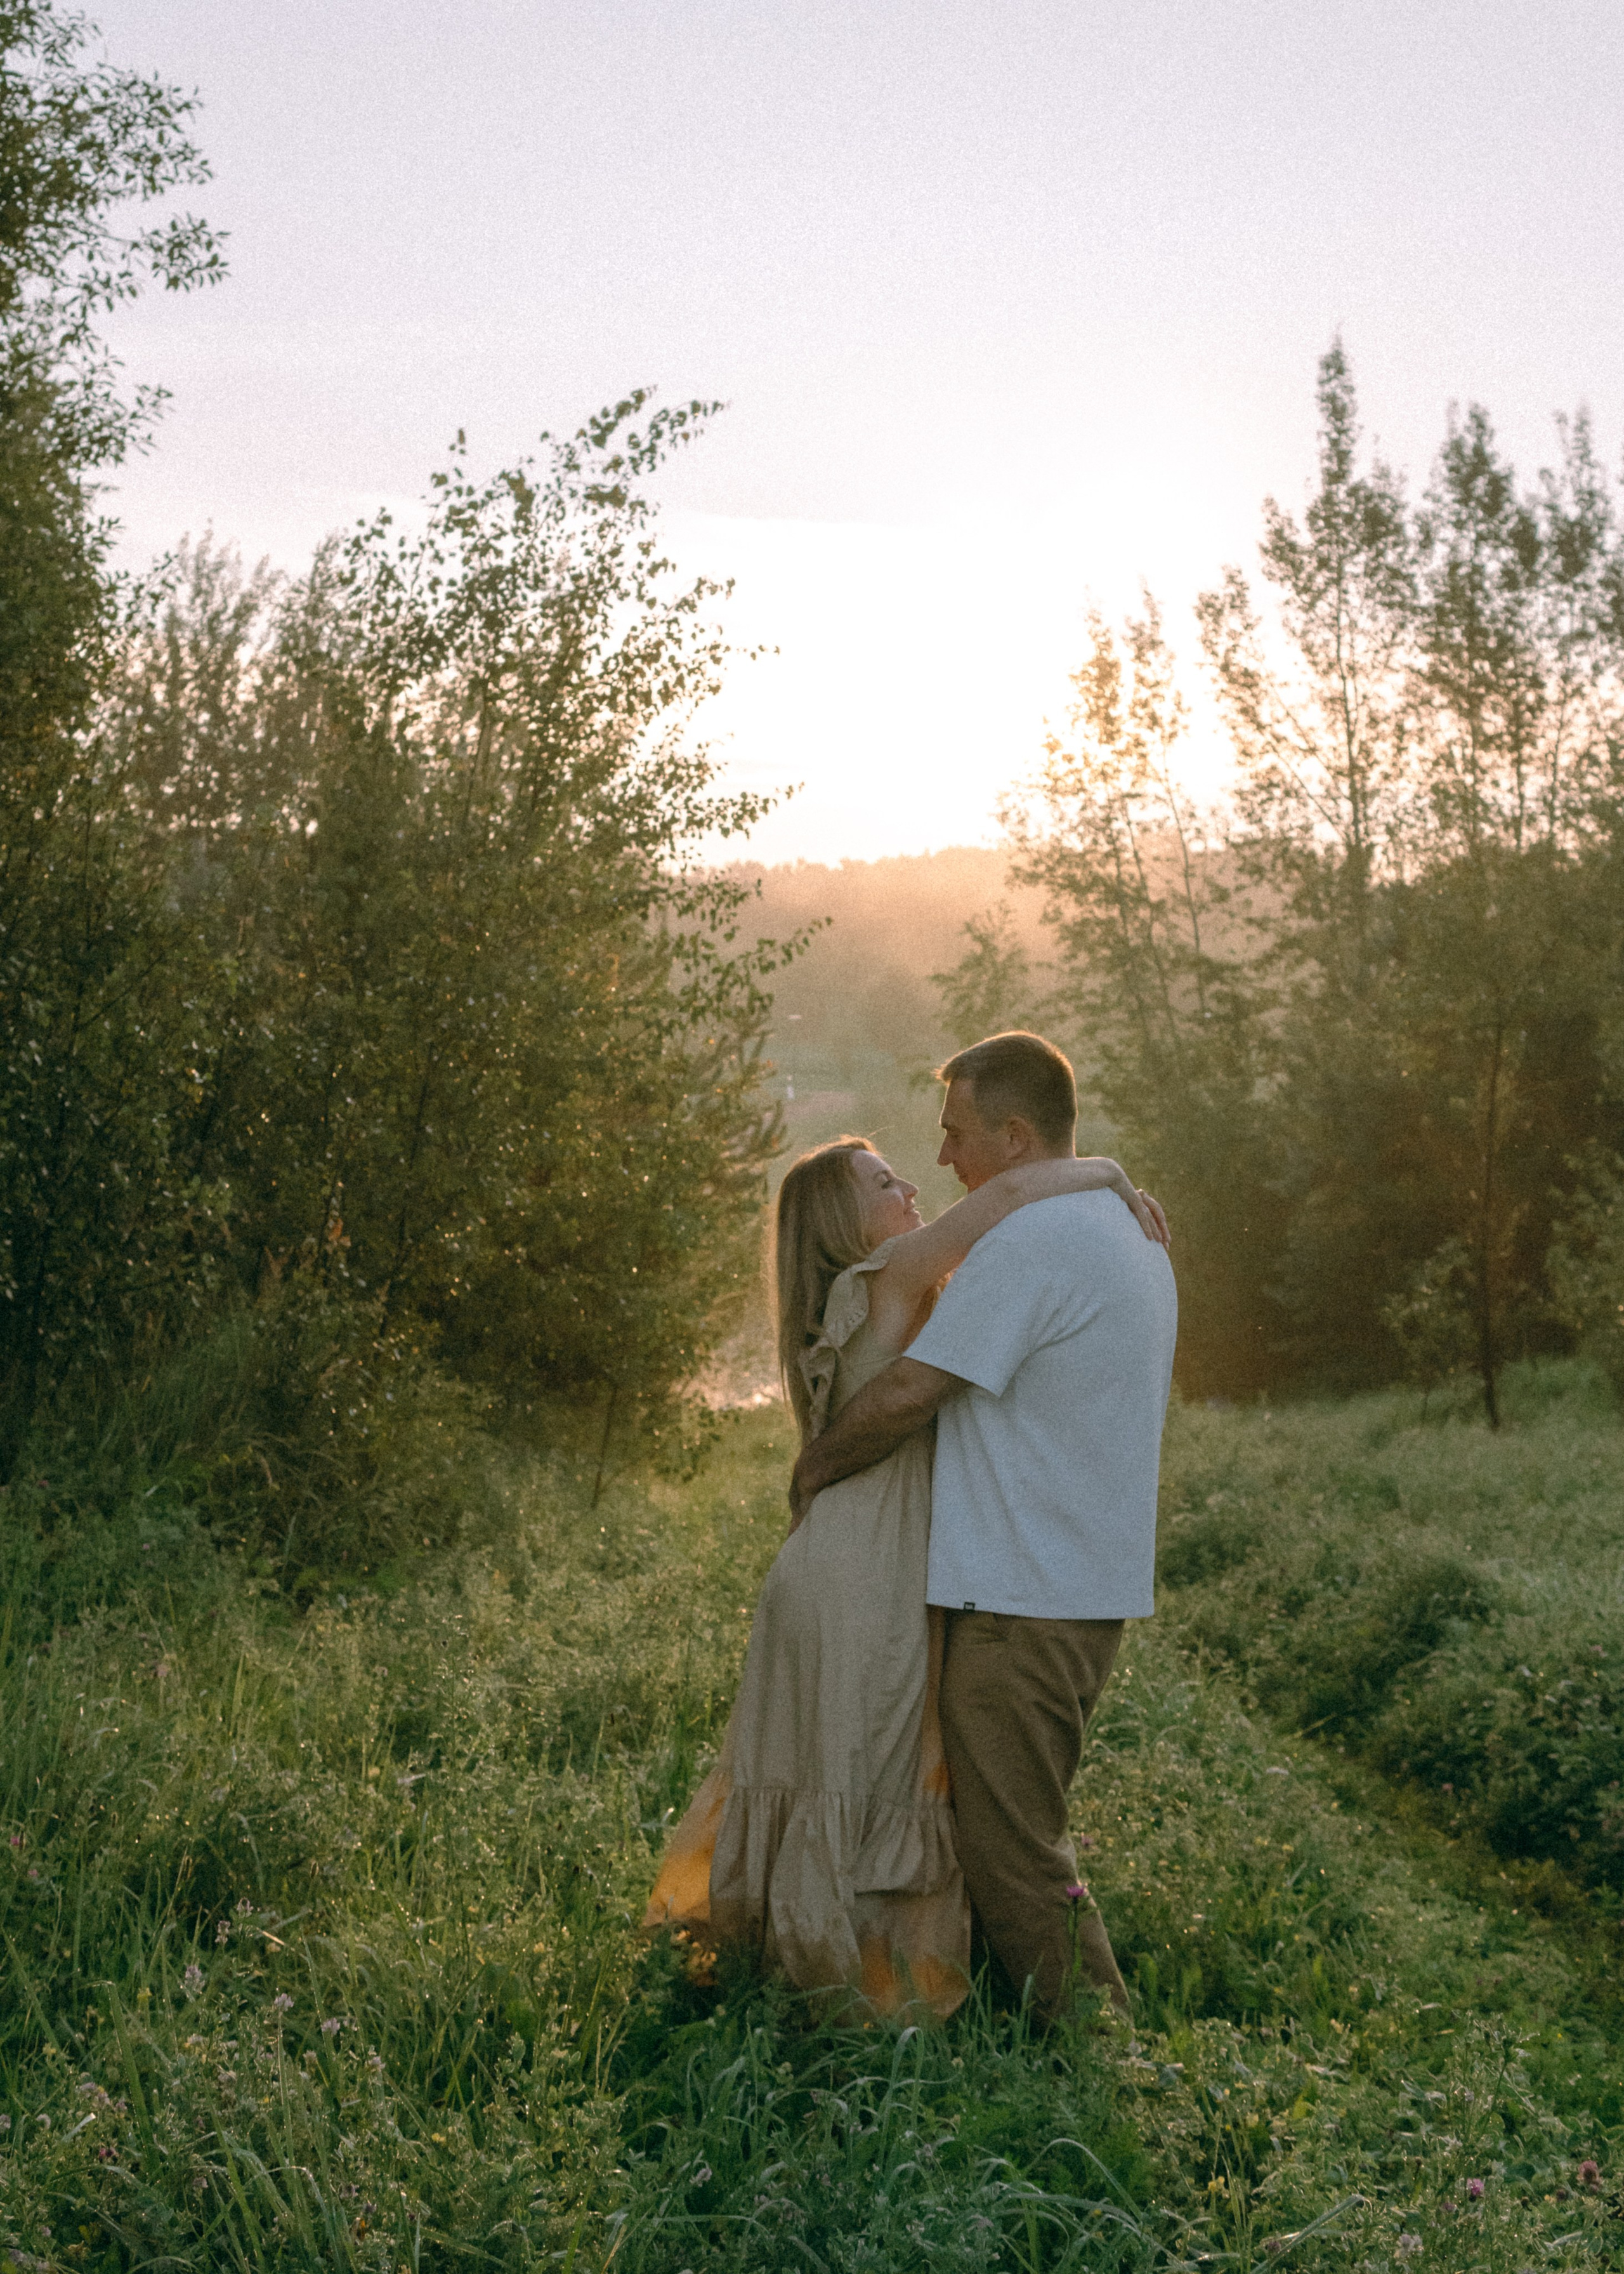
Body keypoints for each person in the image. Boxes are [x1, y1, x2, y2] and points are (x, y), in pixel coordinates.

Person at [643, 1124, 1165, 2019]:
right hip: (859, 1573)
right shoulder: (884, 1280)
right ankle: (849, 1997)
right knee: (860, 1780)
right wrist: (1111, 1170)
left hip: (850, 1563)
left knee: (853, 1775)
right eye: (885, 1184)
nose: (913, 1191)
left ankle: (830, 1984)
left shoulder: (871, 1294)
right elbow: (1003, 1197)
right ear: (843, 1222)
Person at [789, 1032, 1178, 2023]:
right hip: (1069, 1583)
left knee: (1014, 1848)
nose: (943, 1158)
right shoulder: (1120, 1229)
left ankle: (1099, 2047)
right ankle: (1004, 2023)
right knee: (1008, 1827)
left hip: (1025, 1597)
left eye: (957, 1133)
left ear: (1013, 1137)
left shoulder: (1035, 1243)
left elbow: (911, 1391)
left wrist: (814, 1468)